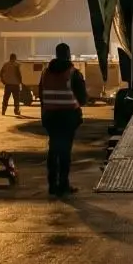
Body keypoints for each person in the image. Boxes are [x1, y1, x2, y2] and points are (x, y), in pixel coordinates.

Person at [39, 42, 89, 196]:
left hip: (51, 117)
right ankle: (64, 184)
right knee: (65, 152)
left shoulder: (45, 73)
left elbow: (41, 94)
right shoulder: (73, 73)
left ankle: (52, 185)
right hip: (68, 118)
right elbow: (83, 99)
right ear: (68, 54)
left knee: (53, 150)